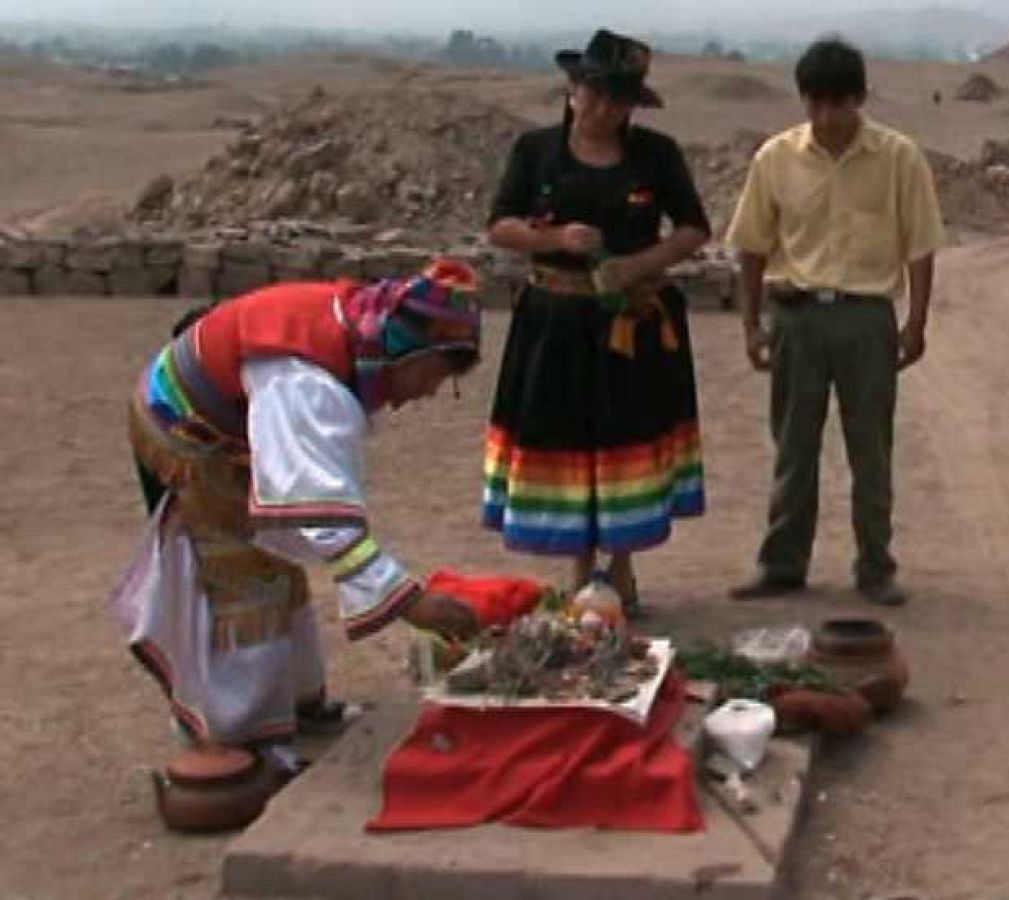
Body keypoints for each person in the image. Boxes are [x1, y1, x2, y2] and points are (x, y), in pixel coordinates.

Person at [111, 259, 486, 776]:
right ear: (409, 352)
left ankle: (296, 709)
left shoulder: (351, 337)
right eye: (435, 377)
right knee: (244, 581)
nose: (427, 393)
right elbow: (322, 513)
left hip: (227, 424)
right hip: (188, 434)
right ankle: (242, 741)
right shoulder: (306, 379)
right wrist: (409, 601)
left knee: (276, 562)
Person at [482, 29, 711, 611]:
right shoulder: (536, 151)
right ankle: (580, 569)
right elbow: (499, 226)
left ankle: (623, 566)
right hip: (554, 326)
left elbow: (693, 228)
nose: (608, 109)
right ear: (573, 89)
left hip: (631, 326)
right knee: (566, 434)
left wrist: (639, 264)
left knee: (626, 436)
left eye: (621, 100)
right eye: (598, 94)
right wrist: (555, 238)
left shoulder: (656, 155)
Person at [724, 36, 944, 607]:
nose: (826, 117)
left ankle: (875, 568)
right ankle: (782, 565)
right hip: (795, 319)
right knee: (793, 448)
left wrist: (915, 324)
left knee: (870, 451)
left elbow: (921, 246)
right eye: (815, 103)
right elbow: (751, 246)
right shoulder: (775, 158)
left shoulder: (899, 158)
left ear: (860, 98)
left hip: (866, 319)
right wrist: (750, 325)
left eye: (838, 104)